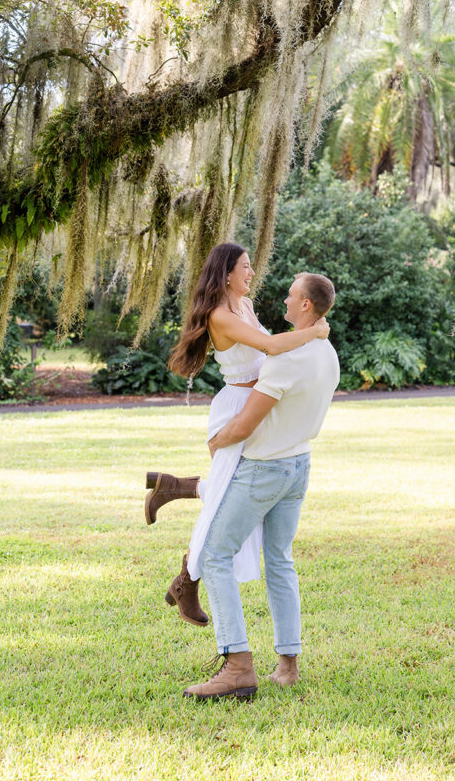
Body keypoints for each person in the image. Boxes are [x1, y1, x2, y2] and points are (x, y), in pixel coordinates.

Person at [144, 243, 329, 627]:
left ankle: (175, 490)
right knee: (227, 501)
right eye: (245, 267)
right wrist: (315, 332)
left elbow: (272, 355)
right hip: (237, 409)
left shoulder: (244, 306)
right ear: (226, 273)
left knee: (237, 496)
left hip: (258, 405)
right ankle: (187, 582)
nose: (252, 273)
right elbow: (273, 346)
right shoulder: (219, 316)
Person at [182, 271, 339, 702]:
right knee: (280, 561)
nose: (284, 302)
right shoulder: (326, 352)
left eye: (291, 296)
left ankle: (237, 667)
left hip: (264, 470)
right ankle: (288, 665)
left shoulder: (284, 360)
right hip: (298, 465)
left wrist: (215, 441)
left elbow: (245, 424)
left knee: (214, 555)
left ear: (305, 305)